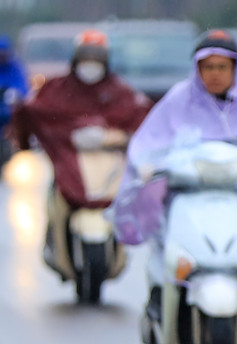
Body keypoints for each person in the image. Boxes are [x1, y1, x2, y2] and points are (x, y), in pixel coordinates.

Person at [108, 29, 237, 317]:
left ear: (235, 69)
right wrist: (148, 165)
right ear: (197, 69)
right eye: (208, 67)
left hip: (235, 194)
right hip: (185, 194)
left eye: (223, 67)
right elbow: (148, 141)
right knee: (163, 233)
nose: (215, 74)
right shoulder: (177, 100)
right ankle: (160, 292)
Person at [10, 29, 152, 271]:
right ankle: (55, 241)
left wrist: (112, 137)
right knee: (56, 200)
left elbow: (141, 117)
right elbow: (34, 112)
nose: (91, 63)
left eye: (96, 57)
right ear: (76, 58)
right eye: (86, 57)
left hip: (107, 167)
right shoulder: (57, 88)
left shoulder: (120, 91)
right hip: (69, 163)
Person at [0, 34, 29, 165]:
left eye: (3, 53)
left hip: (10, 115)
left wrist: (15, 94)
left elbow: (23, 87)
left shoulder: (14, 67)